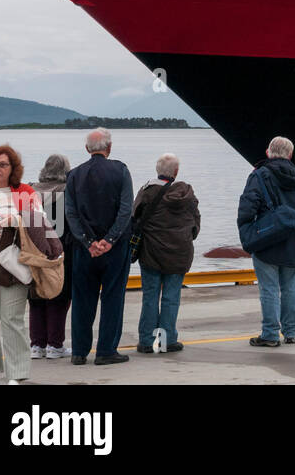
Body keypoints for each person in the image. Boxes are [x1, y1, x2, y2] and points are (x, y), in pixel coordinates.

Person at [0, 145, 60, 383]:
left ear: (12, 168)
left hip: (15, 260)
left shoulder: (27, 193)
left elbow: (42, 223)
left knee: (12, 318)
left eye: (3, 164)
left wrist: (14, 220)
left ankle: (16, 374)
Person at [64, 128, 134, 366]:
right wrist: (110, 240)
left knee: (82, 299)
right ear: (109, 147)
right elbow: (126, 211)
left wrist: (88, 241)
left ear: (87, 149)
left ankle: (79, 352)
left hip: (84, 249)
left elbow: (71, 214)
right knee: (113, 297)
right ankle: (105, 350)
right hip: (115, 249)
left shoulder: (74, 175)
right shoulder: (121, 171)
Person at [237, 136, 295, 348]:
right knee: (290, 289)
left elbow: (247, 207)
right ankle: (291, 332)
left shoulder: (259, 175)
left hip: (266, 241)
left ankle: (270, 334)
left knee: (269, 289)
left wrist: (248, 232)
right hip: (294, 243)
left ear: (268, 152)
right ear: (290, 155)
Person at [132, 153, 200, 353]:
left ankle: (146, 341)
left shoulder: (146, 192)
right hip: (179, 253)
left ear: (157, 170)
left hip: (151, 253)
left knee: (151, 296)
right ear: (176, 172)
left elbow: (135, 219)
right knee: (171, 297)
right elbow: (196, 224)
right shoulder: (187, 194)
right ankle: (167, 340)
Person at [28, 154, 72, 360]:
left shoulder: (31, 192)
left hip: (34, 251)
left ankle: (37, 344)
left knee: (36, 297)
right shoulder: (68, 192)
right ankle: (55, 344)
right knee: (59, 297)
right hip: (61, 251)